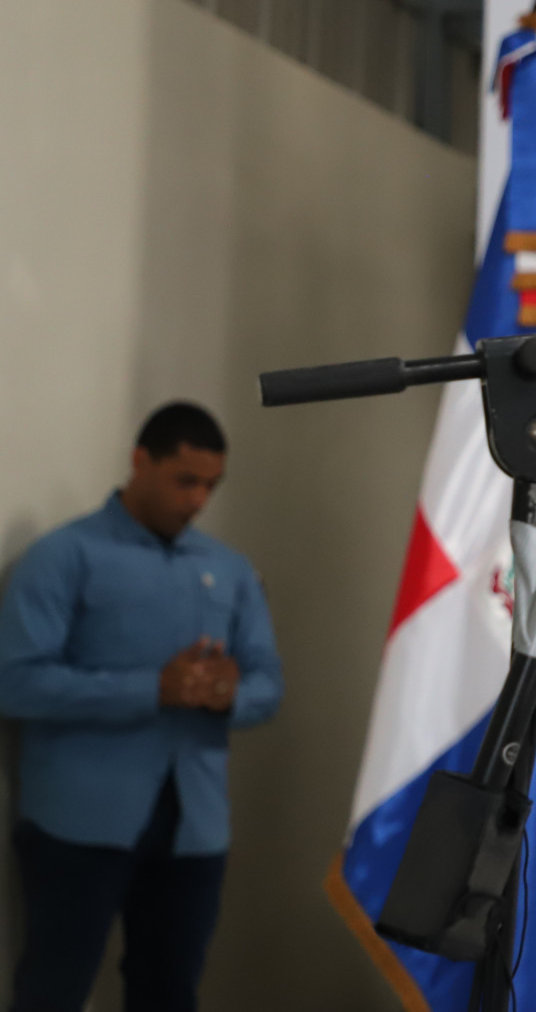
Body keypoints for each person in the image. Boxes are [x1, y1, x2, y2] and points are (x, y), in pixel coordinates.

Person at [0, 402, 284, 1011]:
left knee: (169, 992)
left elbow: (268, 686)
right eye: (185, 481)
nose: (198, 500)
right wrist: (153, 689)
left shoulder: (230, 570)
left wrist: (227, 696)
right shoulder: (63, 557)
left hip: (193, 827)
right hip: (79, 824)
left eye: (210, 486)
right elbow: (16, 683)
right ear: (140, 461)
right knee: (53, 991)